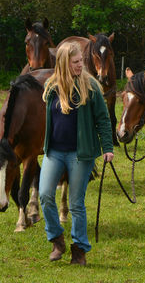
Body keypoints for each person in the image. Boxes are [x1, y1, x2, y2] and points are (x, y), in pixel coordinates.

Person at [39, 41, 114, 266]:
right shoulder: (52, 87)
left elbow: (103, 119)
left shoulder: (90, 86)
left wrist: (108, 148)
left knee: (76, 204)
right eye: (75, 62)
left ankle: (79, 249)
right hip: (54, 152)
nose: (80, 65)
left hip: (81, 154)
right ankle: (56, 239)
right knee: (44, 195)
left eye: (81, 61)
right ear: (63, 63)